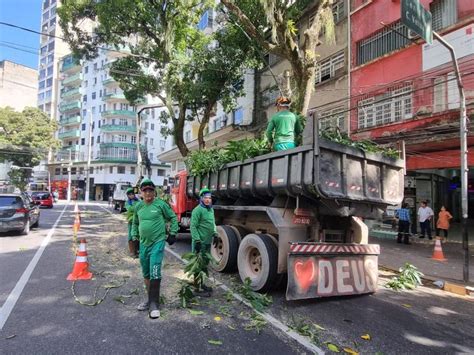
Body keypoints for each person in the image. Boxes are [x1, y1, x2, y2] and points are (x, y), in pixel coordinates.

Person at [131, 178, 178, 319]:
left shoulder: (161, 205)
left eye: (150, 191)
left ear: (154, 192)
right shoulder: (138, 207)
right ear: (141, 192)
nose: (148, 194)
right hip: (144, 244)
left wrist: (173, 233)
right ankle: (149, 299)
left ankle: (154, 304)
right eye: (145, 191)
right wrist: (134, 235)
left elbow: (173, 218)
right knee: (146, 273)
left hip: (157, 243)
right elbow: (135, 222)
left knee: (155, 271)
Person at [190, 188, 218, 294]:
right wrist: (197, 240)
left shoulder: (211, 209)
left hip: (207, 242)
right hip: (199, 243)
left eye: (209, 198)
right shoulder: (197, 210)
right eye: (205, 198)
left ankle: (202, 284)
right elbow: (193, 226)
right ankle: (197, 288)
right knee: (197, 265)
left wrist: (215, 234)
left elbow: (212, 223)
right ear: (201, 199)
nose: (208, 200)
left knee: (204, 265)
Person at [125, 187, 140, 258]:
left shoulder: (138, 201)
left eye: (132, 194)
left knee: (138, 235)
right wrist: (135, 207)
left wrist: (135, 207)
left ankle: (137, 250)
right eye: (129, 194)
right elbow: (130, 209)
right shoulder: (127, 203)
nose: (131, 195)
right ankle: (132, 251)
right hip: (131, 221)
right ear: (127, 195)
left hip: (138, 221)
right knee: (131, 236)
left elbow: (140, 207)